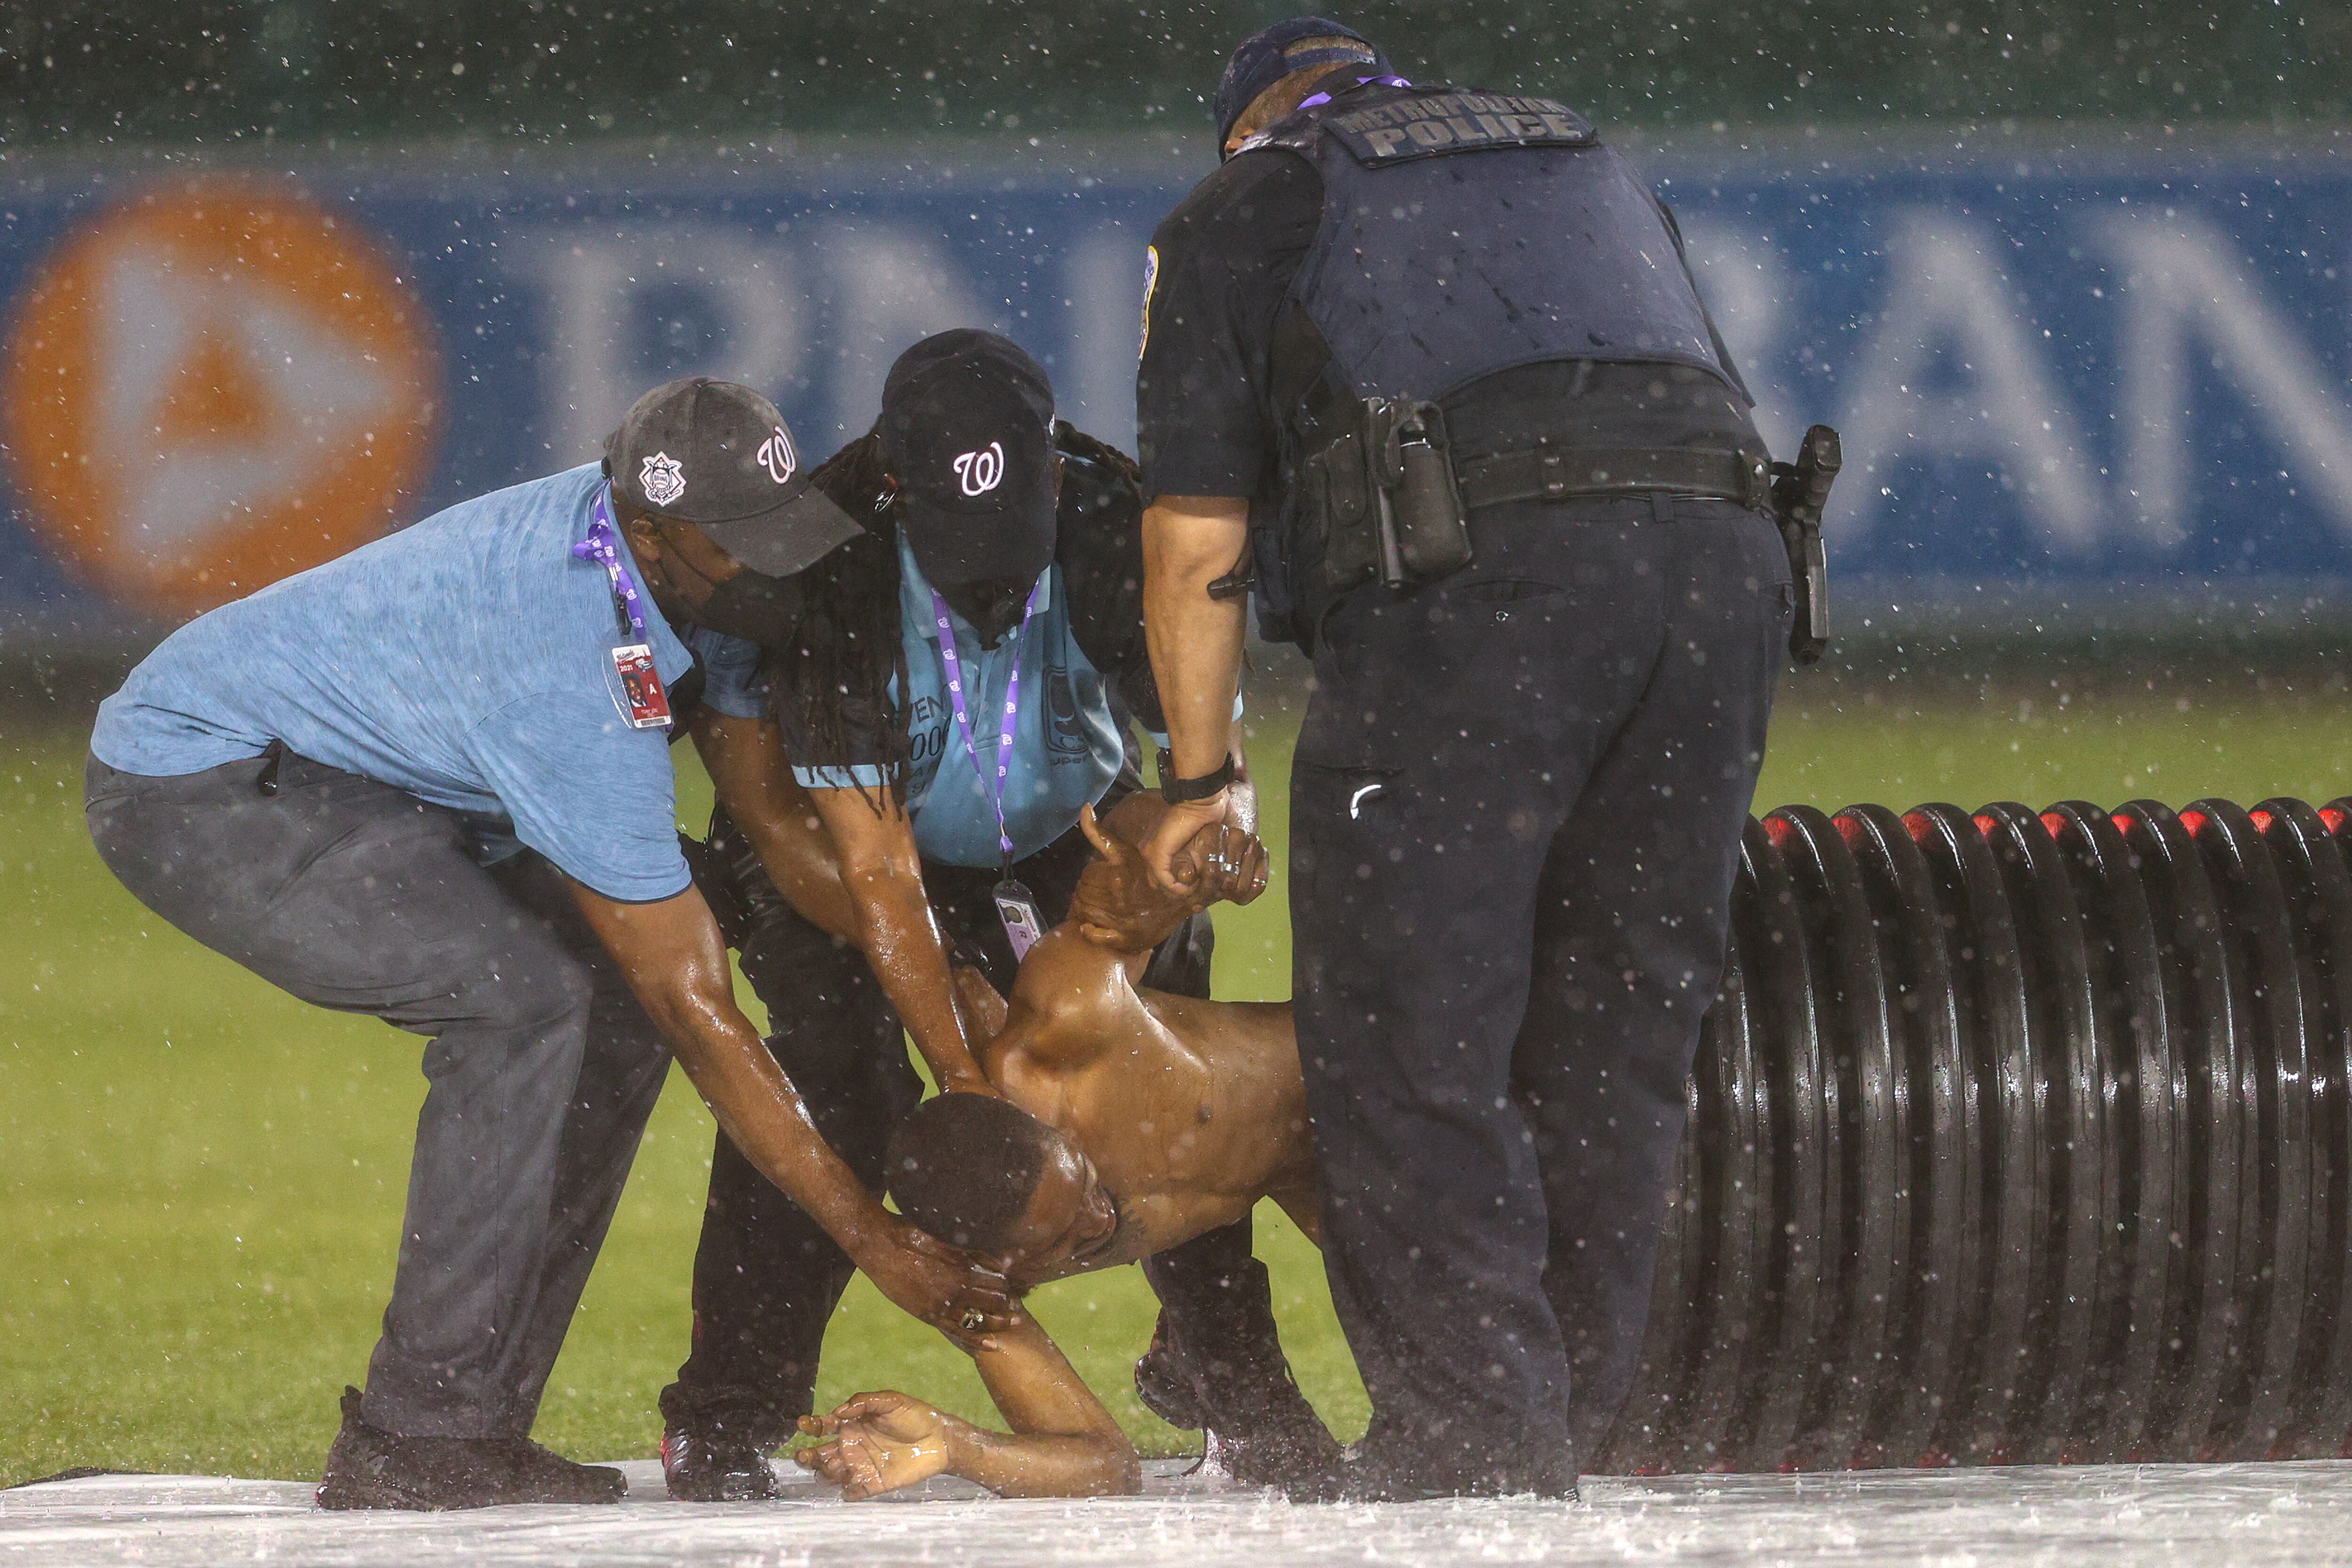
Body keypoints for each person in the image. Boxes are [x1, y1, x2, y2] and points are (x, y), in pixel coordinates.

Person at [82, 377, 1014, 1511]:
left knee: (606, 1013)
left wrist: (940, 982)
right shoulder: (570, 656)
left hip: (377, 779)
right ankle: (416, 1435)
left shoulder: (682, 563)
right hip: (205, 782)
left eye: (779, 531)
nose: (771, 566)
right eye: (737, 547)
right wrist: (871, 1235)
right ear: (650, 532)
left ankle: (464, 1425)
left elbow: (763, 831)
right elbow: (699, 1008)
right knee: (518, 1000)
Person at [1133, 20, 1791, 1498]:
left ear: (1248, 125)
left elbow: (1194, 538)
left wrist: (1199, 777)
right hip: (1725, 564)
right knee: (1617, 1018)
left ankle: (1471, 1438)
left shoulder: (1248, 203)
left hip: (1481, 582)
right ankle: (1568, 1412)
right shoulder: (1591, 160)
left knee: (1410, 1024)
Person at [654, 330, 1330, 1499]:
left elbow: (1197, 755)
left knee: (1167, 1087)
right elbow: (846, 860)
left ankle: (1240, 1388)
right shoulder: (825, 562)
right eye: (959, 564)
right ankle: (726, 1409)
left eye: (1011, 564)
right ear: (897, 492)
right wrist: (967, 1061)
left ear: (1057, 481)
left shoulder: (1123, 527)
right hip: (838, 846)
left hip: (1071, 826)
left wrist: (1210, 834)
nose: (989, 593)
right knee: (844, 1087)